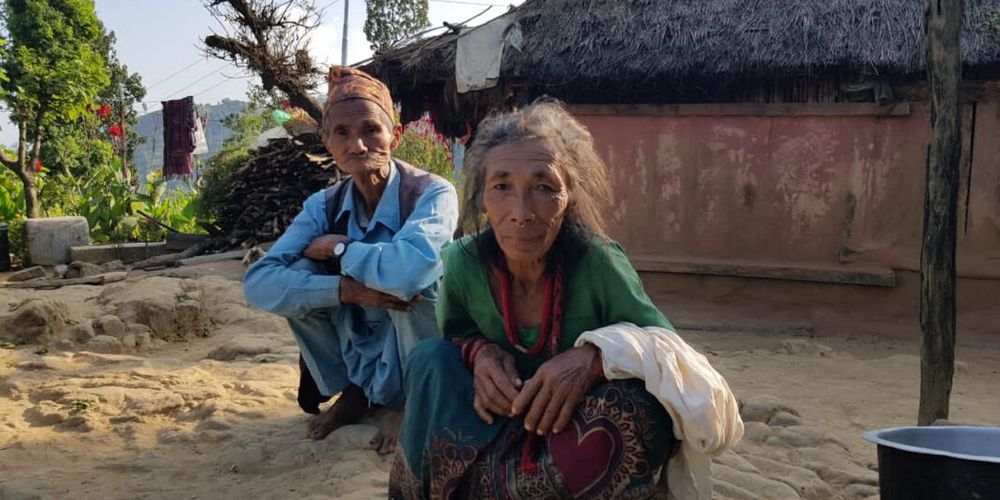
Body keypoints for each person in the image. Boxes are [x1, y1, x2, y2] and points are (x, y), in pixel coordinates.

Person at [389, 100, 678, 498]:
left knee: (637, 406)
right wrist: (480, 353)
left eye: (544, 187)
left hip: (570, 430)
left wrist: (594, 358)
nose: (521, 213)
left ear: (570, 196)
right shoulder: (462, 263)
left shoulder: (599, 262)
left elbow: (665, 349)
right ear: (482, 196)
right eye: (502, 187)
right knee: (429, 361)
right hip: (488, 422)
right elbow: (456, 335)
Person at [243, 66, 459, 452]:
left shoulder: (431, 193)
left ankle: (414, 401)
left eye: (371, 130)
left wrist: (340, 249)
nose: (357, 145)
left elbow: (407, 273)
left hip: (423, 343)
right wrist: (345, 290)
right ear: (326, 140)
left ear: (395, 133)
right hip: (360, 338)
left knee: (422, 281)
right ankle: (355, 392)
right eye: (342, 133)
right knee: (300, 275)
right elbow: (260, 283)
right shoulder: (323, 206)